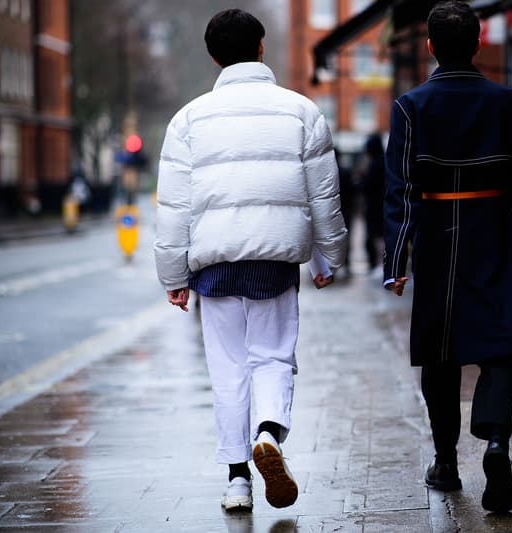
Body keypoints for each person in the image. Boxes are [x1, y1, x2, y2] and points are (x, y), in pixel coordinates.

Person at [154, 8, 347, 512]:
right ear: (262, 47)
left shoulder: (188, 119)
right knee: (273, 356)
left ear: (214, 56)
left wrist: (173, 276)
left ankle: (238, 481)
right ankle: (269, 434)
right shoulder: (301, 111)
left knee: (228, 368)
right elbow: (324, 195)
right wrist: (330, 257)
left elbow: (174, 206)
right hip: (275, 260)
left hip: (213, 264)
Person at [382, 0, 512, 515]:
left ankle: (447, 462)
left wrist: (396, 262)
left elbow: (399, 190)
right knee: (499, 347)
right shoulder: (511, 102)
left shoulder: (411, 106)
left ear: (429, 46)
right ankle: (496, 444)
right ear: (479, 43)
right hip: (495, 231)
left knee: (440, 353)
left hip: (437, 237)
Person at [360, 132, 386, 273]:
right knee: (380, 235)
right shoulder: (384, 161)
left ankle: (380, 264)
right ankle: (380, 264)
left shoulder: (375, 164)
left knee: (377, 235)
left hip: (375, 206)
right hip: (380, 205)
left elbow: (368, 185)